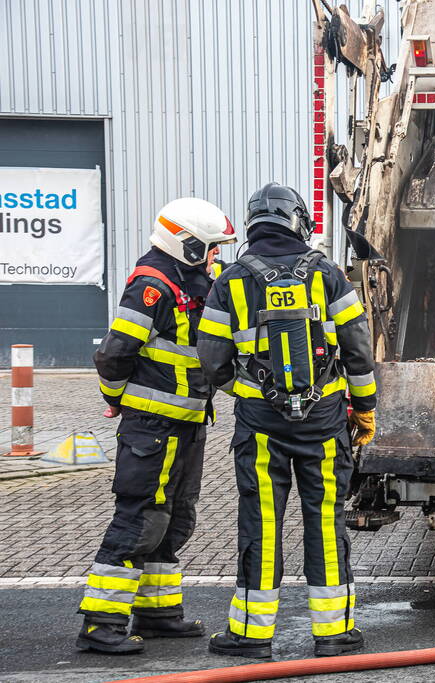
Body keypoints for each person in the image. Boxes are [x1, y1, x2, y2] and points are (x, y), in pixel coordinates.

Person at [197, 182, 376, 659]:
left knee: (262, 523)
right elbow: (358, 350)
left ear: (254, 223)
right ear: (299, 221)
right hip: (324, 425)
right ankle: (334, 633)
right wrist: (365, 409)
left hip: (259, 427)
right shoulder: (330, 275)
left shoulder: (229, 280)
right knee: (325, 521)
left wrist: (248, 391)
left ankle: (252, 636)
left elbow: (211, 361)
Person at [77, 198, 237, 654]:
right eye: (211, 250)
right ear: (186, 246)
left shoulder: (195, 286)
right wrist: (114, 399)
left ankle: (158, 612)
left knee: (175, 519)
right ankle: (101, 623)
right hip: (152, 426)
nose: (216, 258)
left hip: (186, 425)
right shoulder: (152, 286)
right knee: (141, 519)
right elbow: (114, 354)